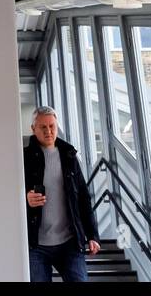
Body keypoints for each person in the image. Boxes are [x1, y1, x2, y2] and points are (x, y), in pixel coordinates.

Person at [23, 106, 101, 282]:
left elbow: (83, 197)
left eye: (52, 126)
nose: (48, 131)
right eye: (43, 127)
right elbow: (10, 195)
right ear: (33, 129)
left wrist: (92, 235)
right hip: (36, 245)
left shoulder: (69, 155)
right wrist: (25, 198)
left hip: (70, 242)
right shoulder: (24, 157)